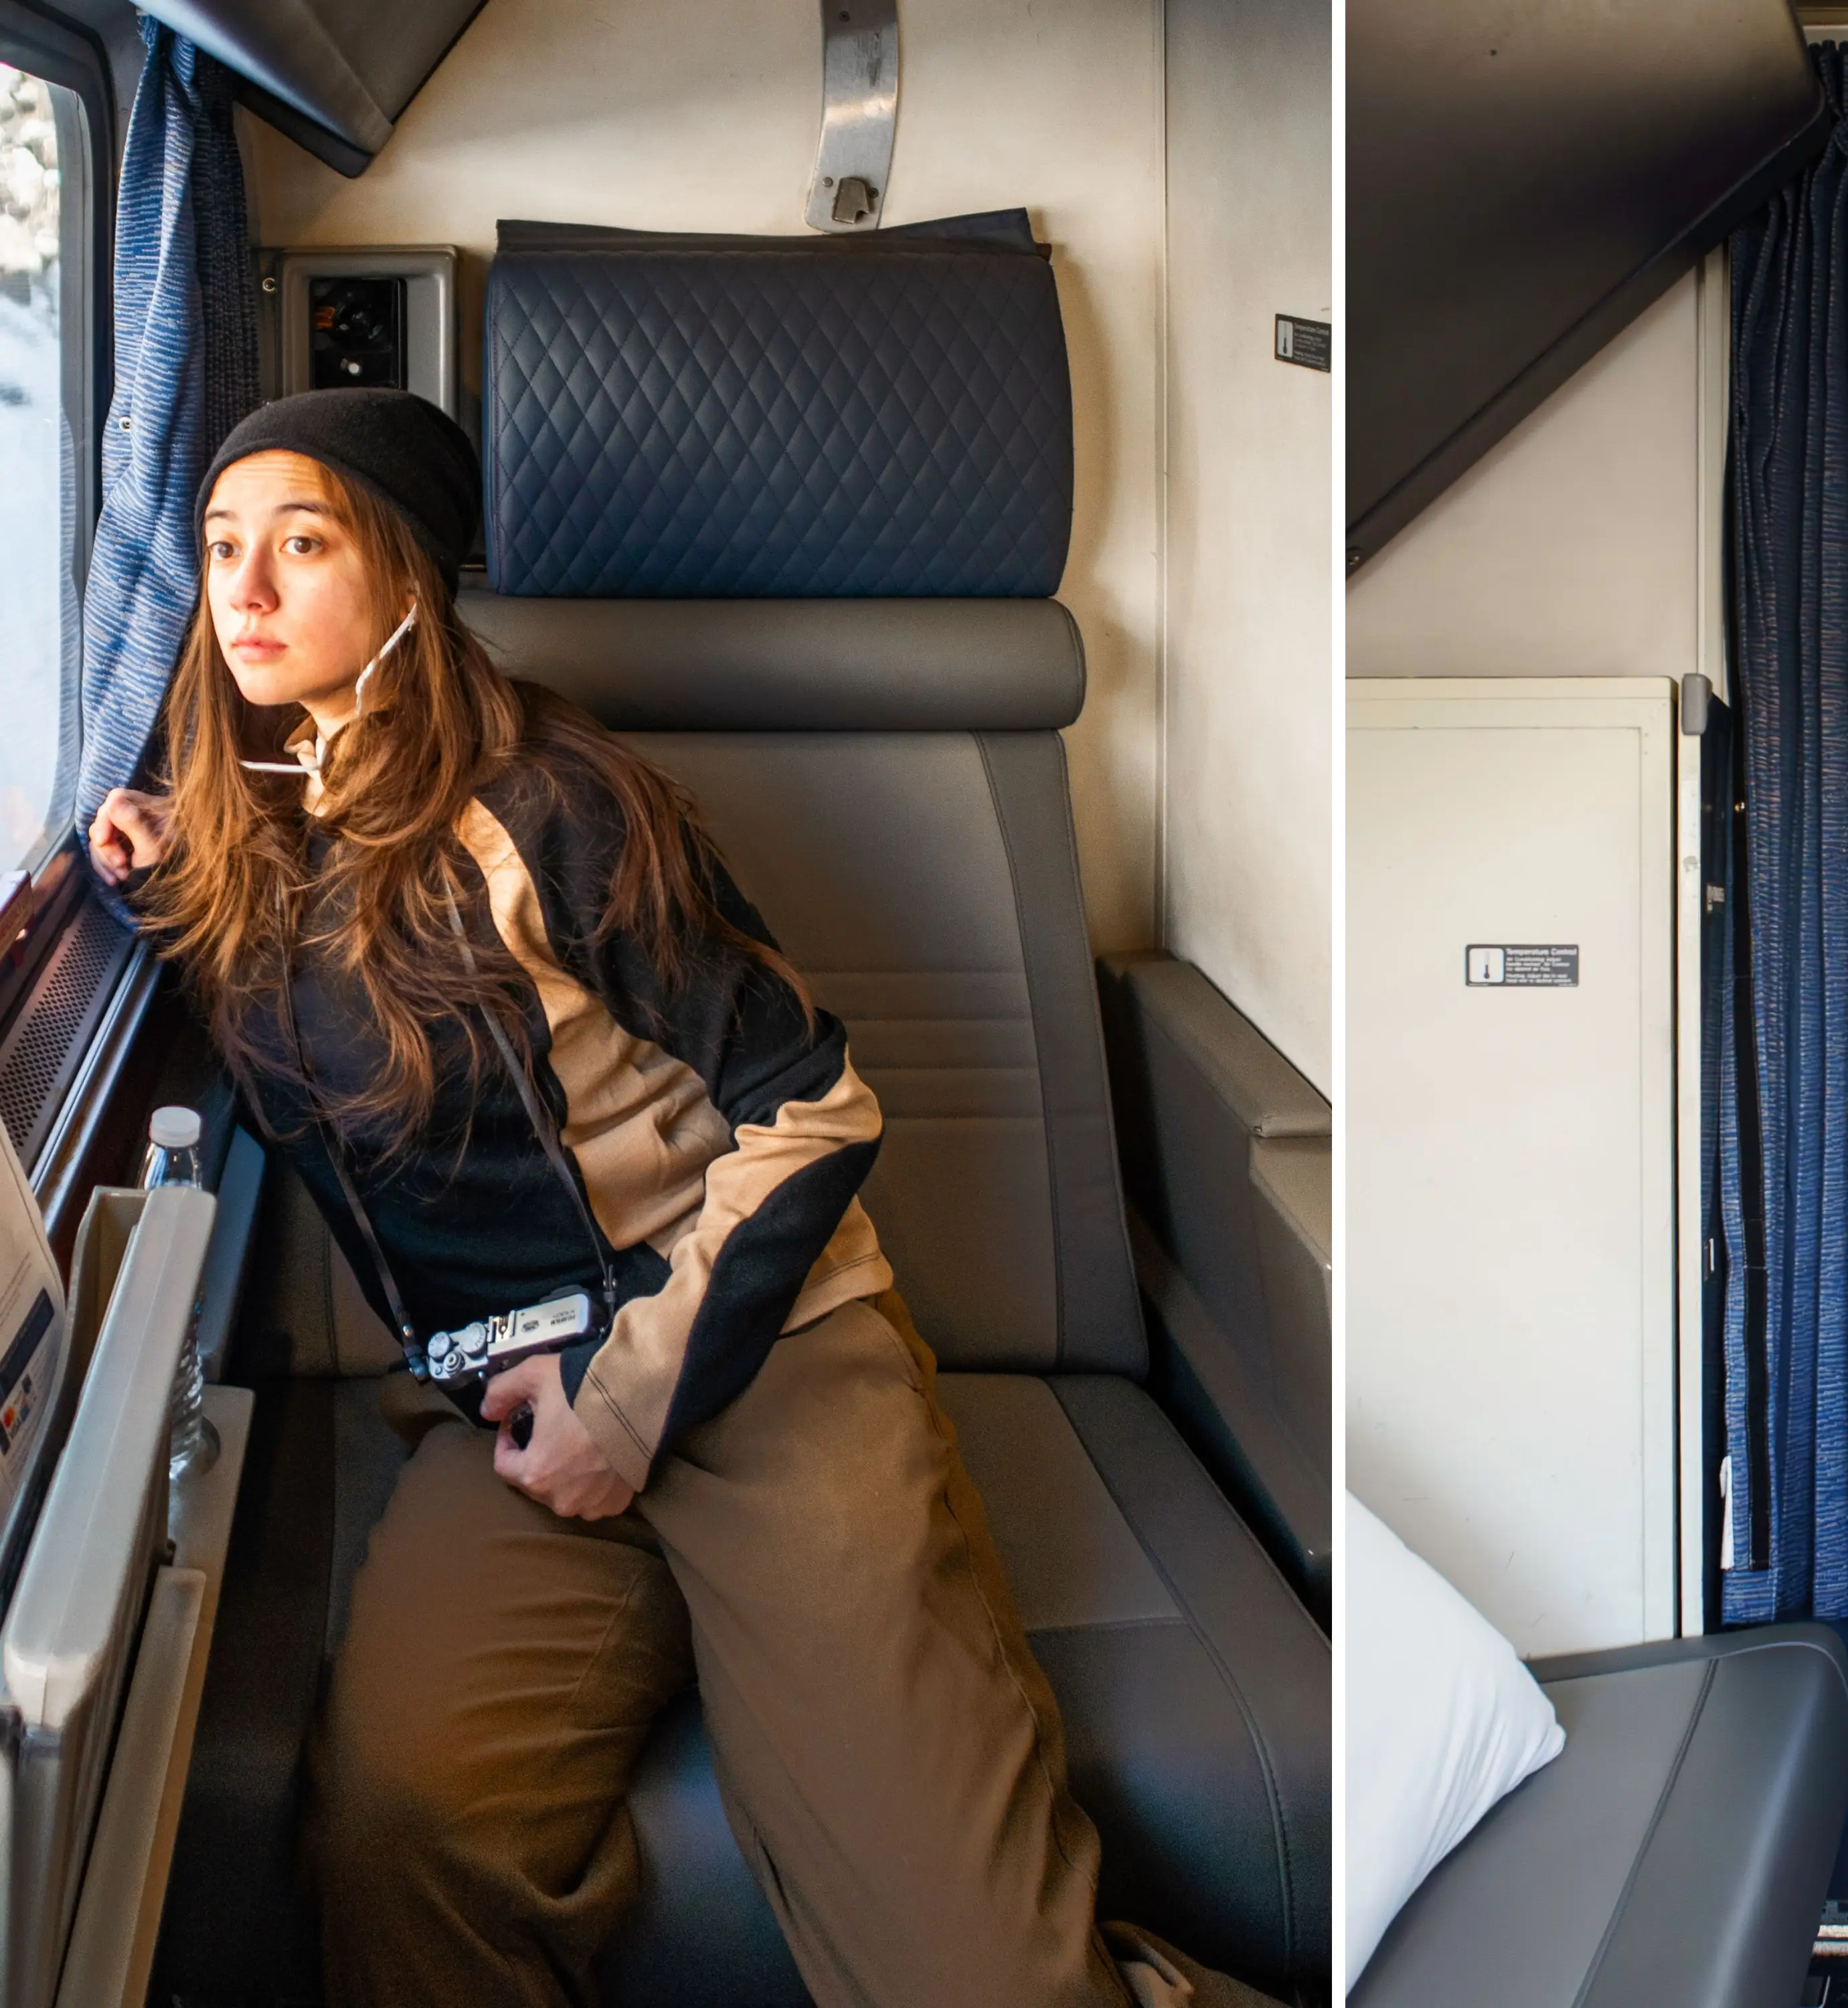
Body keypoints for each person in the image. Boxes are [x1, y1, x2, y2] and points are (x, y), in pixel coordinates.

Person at [88, 390, 1264, 2008]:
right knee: (400, 1834)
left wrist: (627, 1398)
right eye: (223, 549)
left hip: (761, 1360)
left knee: (967, 1967)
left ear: (411, 580)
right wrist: (150, 848)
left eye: (304, 544)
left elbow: (819, 1105)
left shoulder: (554, 802)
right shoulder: (246, 822)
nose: (246, 592)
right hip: (505, 1410)